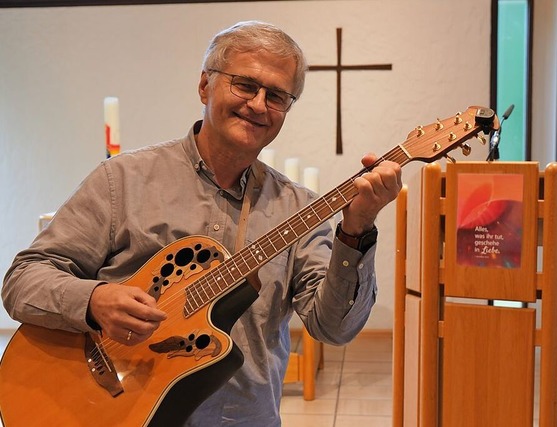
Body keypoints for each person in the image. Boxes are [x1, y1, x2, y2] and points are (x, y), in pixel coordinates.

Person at [2, 20, 402, 426]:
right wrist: (94, 301)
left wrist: (357, 229)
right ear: (205, 86)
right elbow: (23, 280)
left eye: (277, 95)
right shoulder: (122, 180)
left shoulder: (298, 209)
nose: (259, 104)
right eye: (245, 85)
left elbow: (334, 329)